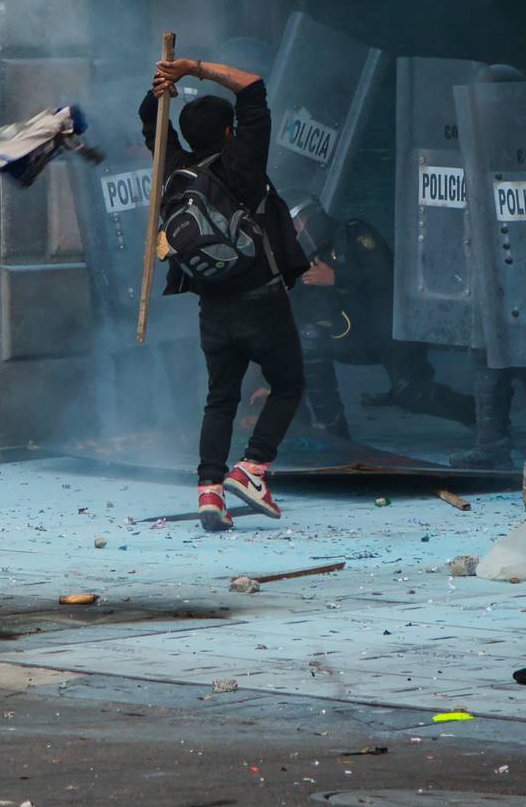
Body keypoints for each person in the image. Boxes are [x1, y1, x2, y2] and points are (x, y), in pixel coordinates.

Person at [142, 56, 308, 533]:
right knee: (289, 383)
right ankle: (252, 468)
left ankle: (209, 492)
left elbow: (151, 120)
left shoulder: (173, 167)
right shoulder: (242, 162)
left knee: (220, 399)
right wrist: (192, 67)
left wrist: (158, 90)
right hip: (262, 299)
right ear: (231, 132)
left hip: (211, 306)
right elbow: (252, 86)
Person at [283, 196, 474, 440]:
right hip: (356, 337)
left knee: (410, 393)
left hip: (392, 332)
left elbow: (385, 275)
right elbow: (287, 319)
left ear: (306, 218)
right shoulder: (302, 260)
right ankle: (331, 426)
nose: (293, 233)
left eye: (295, 225)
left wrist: (337, 277)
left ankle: (478, 413)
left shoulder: (353, 233)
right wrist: (268, 382)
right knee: (307, 339)